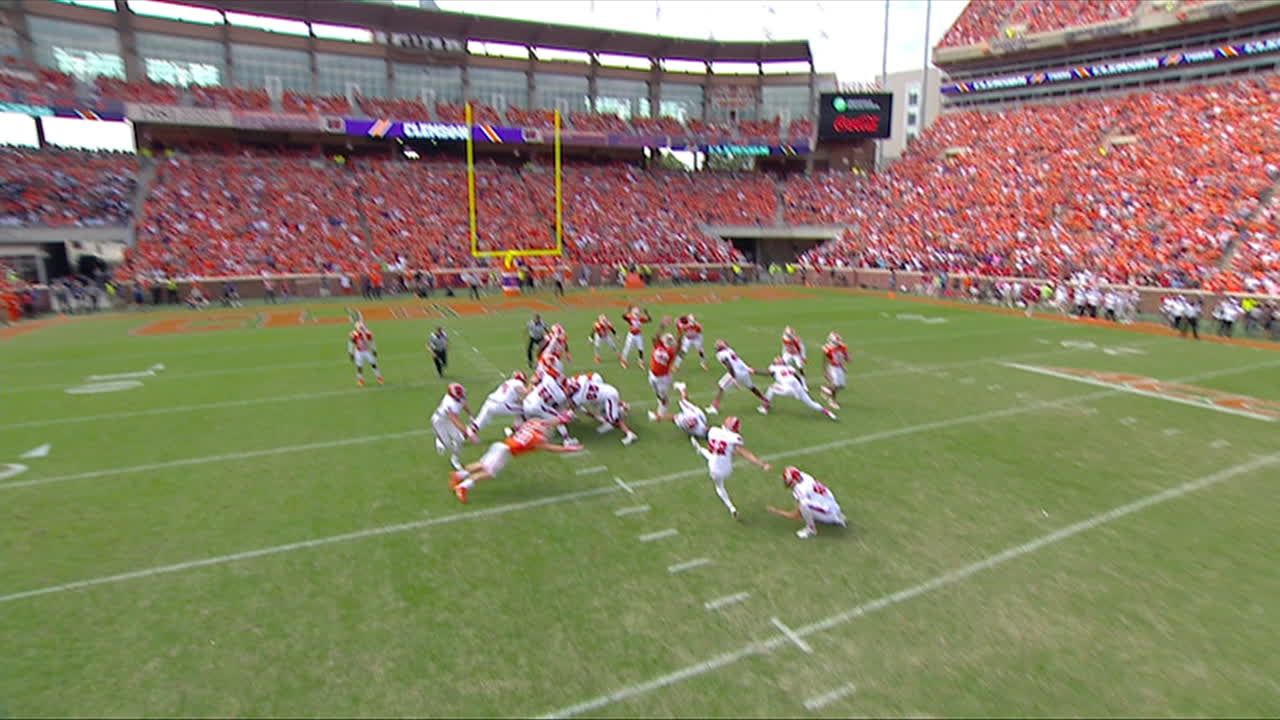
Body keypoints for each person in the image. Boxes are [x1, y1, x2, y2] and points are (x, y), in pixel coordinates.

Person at [449, 417, 582, 503]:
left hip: (501, 445)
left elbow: (546, 422)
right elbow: (551, 448)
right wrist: (569, 449)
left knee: (482, 464)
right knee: (489, 473)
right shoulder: (537, 439)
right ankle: (462, 487)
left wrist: (561, 419)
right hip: (505, 451)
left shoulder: (533, 422)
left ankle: (457, 475)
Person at [690, 415, 771, 519]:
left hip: (714, 469)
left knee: (719, 485)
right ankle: (700, 450)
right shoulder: (734, 437)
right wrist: (762, 464)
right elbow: (745, 454)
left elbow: (705, 430)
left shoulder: (713, 430)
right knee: (727, 452)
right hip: (726, 469)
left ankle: (731, 508)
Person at [767, 466, 847, 539]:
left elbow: (796, 516)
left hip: (829, 514)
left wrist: (777, 511)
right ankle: (836, 516)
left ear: (793, 481)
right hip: (834, 506)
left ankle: (811, 529)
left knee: (804, 505)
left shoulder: (800, 489)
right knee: (809, 503)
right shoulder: (805, 476)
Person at [757, 356, 837, 420]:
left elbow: (766, 373)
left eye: (779, 358)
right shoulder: (789, 367)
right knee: (811, 403)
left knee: (771, 389)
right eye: (777, 358)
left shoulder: (774, 367)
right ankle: (828, 412)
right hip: (797, 387)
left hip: (788, 387)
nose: (777, 358)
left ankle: (765, 408)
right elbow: (798, 377)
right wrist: (803, 387)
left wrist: (754, 371)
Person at [706, 339, 771, 415]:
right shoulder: (730, 350)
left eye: (718, 344)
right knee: (751, 387)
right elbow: (739, 361)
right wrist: (747, 368)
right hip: (744, 372)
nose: (717, 345)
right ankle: (766, 401)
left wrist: (733, 377)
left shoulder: (720, 355)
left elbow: (729, 365)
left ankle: (714, 407)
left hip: (735, 373)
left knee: (721, 386)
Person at [432, 383, 476, 471]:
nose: (462, 395)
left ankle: (455, 460)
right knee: (447, 444)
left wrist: (470, 414)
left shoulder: (458, 397)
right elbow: (455, 421)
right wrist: (468, 432)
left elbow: (463, 403)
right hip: (440, 421)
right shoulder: (449, 403)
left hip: (448, 420)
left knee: (459, 440)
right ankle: (439, 440)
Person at [470, 371, 529, 435]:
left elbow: (515, 400)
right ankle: (514, 431)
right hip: (501, 404)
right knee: (526, 410)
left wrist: (521, 401)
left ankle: (466, 433)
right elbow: (525, 392)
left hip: (489, 402)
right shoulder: (518, 383)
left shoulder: (508, 382)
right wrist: (533, 387)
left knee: (477, 425)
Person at [348, 321, 384, 386]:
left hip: (366, 351)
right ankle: (360, 380)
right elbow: (351, 343)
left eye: (362, 328)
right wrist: (351, 353)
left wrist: (374, 350)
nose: (361, 329)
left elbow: (372, 342)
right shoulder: (354, 334)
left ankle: (379, 377)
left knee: (373, 363)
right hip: (358, 352)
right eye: (359, 328)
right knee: (359, 366)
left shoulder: (368, 333)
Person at [820, 331, 849, 410]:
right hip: (832, 367)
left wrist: (843, 366)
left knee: (841, 386)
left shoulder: (842, 347)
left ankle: (825, 389)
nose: (838, 343)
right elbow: (825, 361)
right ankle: (832, 401)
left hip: (839, 367)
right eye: (836, 342)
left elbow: (842, 357)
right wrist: (825, 371)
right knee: (835, 384)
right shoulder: (828, 349)